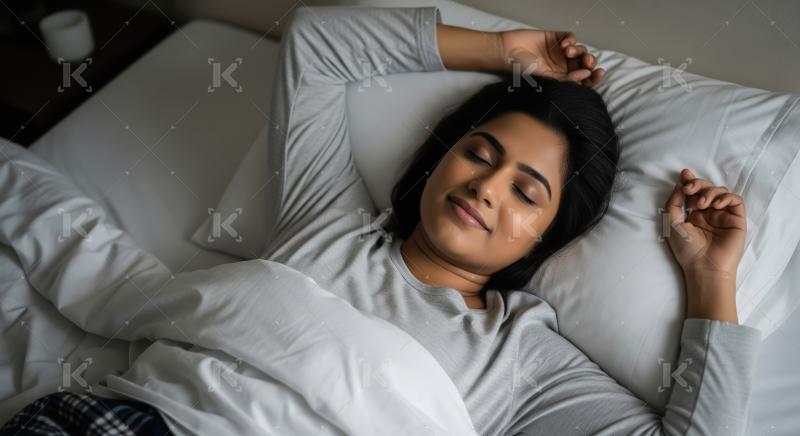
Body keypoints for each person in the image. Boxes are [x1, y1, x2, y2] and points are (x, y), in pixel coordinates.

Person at [1, 5, 761, 436]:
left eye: (528, 193)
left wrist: (709, 276)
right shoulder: (327, 218)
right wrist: (505, 50)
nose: (488, 186)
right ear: (441, 159)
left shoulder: (521, 360)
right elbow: (316, 45)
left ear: (547, 236)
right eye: (479, 152)